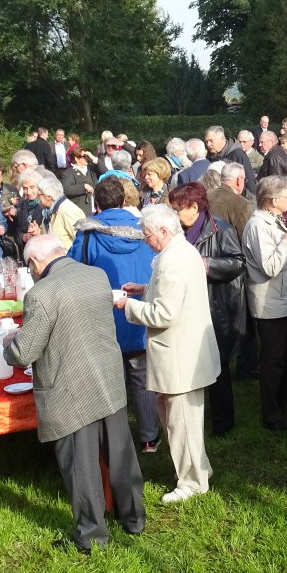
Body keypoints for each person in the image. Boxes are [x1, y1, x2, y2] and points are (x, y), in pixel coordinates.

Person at [4, 234, 146, 553]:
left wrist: (7, 344)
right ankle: (134, 517)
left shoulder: (41, 293)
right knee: (120, 453)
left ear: (34, 263)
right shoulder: (97, 275)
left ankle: (91, 534)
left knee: (81, 465)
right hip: (107, 376)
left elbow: (24, 352)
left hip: (70, 387)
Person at [116, 205, 221, 502]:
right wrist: (145, 288)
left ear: (163, 231)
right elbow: (172, 292)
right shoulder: (181, 250)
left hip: (179, 353)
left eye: (148, 235)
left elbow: (164, 313)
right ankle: (198, 469)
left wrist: (128, 307)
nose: (145, 241)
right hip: (183, 350)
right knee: (177, 415)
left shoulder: (172, 259)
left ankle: (192, 482)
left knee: (182, 419)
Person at [68, 179, 160, 452]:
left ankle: (114, 440)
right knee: (142, 377)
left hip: (103, 315)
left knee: (109, 379)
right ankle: (149, 437)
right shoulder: (144, 230)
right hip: (139, 310)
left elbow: (74, 269)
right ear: (124, 201)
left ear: (97, 203)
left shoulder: (87, 234)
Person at [167, 182, 245, 436]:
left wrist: (207, 264)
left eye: (177, 208)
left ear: (194, 207)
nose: (174, 213)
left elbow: (238, 262)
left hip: (215, 307)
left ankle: (223, 423)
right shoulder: (177, 231)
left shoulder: (220, 229)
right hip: (186, 305)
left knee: (218, 365)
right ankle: (197, 416)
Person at [242, 175, 287, 431]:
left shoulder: (272, 220)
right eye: (286, 196)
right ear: (272, 200)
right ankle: (272, 415)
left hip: (282, 300)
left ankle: (283, 403)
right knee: (272, 360)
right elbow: (269, 266)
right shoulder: (258, 225)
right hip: (270, 304)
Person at [204, 125, 258, 196]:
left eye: (211, 141)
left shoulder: (237, 154)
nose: (208, 144)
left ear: (222, 139)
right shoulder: (210, 156)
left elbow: (250, 182)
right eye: (206, 141)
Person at [207, 161, 254, 241]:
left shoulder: (206, 195)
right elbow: (245, 238)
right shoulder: (242, 204)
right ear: (238, 181)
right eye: (244, 179)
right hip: (229, 251)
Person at [60, 144, 99, 215]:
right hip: (79, 211)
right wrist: (83, 187)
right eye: (84, 156)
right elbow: (66, 190)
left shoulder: (92, 169)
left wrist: (93, 157)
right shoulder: (68, 173)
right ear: (76, 159)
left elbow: (105, 171)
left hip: (95, 210)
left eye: (87, 156)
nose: (86, 158)